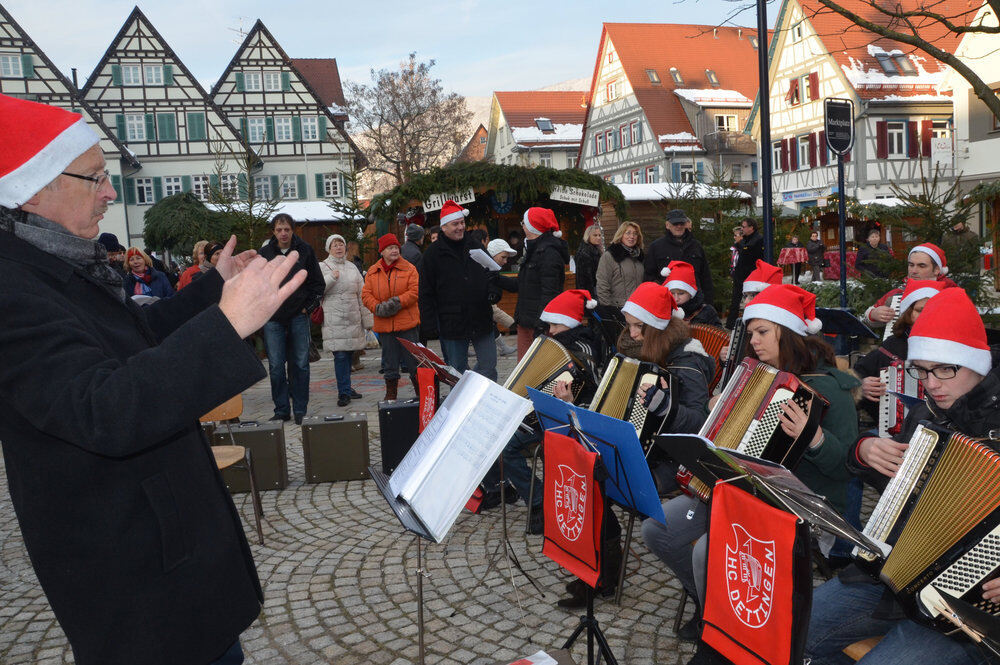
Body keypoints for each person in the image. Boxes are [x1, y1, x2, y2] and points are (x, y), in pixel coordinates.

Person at [0, 93, 308, 665]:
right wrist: (228, 322)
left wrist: (214, 290)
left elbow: (135, 336)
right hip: (132, 568)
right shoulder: (13, 289)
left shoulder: (58, 261)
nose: (110, 192)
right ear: (32, 190)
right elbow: (103, 406)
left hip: (165, 545)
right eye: (93, 178)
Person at [644, 284, 858, 643]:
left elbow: (845, 471)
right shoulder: (754, 376)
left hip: (800, 509)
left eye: (762, 332)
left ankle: (729, 628)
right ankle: (710, 605)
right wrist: (719, 413)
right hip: (739, 493)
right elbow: (729, 443)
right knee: (656, 530)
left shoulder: (829, 388)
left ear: (788, 333)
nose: (753, 341)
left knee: (707, 556)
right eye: (752, 332)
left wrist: (815, 438)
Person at [806, 287, 1000, 665]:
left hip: (969, 605)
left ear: (978, 363)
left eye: (946, 368)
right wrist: (863, 453)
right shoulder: (926, 414)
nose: (932, 383)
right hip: (894, 577)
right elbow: (901, 487)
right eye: (922, 370)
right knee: (794, 627)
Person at [501, 289, 605, 537]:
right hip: (540, 413)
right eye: (549, 324)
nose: (551, 330)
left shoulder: (584, 347)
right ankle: (536, 498)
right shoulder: (550, 343)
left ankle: (544, 504)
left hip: (570, 416)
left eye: (556, 324)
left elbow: (594, 386)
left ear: (571, 322)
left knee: (517, 448)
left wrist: (570, 393)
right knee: (502, 443)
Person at [419, 200, 500, 380]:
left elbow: (493, 272)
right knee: (457, 372)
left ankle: (482, 401)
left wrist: (493, 291)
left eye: (462, 223)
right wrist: (429, 324)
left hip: (481, 317)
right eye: (455, 224)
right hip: (451, 321)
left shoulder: (475, 245)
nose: (460, 227)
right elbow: (425, 292)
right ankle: (462, 404)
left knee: (489, 365)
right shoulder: (432, 254)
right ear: (444, 227)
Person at [258, 213, 325, 424]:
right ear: (273, 231)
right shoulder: (265, 253)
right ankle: (281, 409)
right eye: (279, 229)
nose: (283, 233)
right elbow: (257, 285)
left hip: (298, 315)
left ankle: (300, 408)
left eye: (286, 229)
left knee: (300, 364)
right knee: (276, 366)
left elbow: (318, 284)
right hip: (274, 317)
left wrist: (308, 308)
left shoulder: (304, 250)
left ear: (293, 229)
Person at [853, 279, 945, 423]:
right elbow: (853, 380)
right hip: (895, 433)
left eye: (932, 309)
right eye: (920, 310)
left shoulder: (954, 348)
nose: (927, 315)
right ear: (908, 313)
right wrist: (860, 387)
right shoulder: (890, 348)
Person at [362, 233, 420, 400]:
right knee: (389, 363)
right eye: (390, 248)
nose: (394, 250)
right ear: (382, 251)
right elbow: (366, 295)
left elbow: (414, 292)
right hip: (385, 326)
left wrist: (396, 303)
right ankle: (391, 394)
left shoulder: (409, 268)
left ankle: (420, 394)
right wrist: (378, 308)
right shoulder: (373, 271)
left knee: (414, 362)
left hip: (407, 324)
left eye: (396, 247)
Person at [319, 234, 369, 407]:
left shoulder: (352, 267)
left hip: (352, 316)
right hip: (334, 319)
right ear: (329, 248)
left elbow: (362, 294)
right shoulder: (323, 266)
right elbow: (319, 289)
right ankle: (343, 392)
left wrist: (367, 320)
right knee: (340, 355)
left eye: (341, 244)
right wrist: (332, 277)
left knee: (348, 355)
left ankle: (347, 387)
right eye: (335, 245)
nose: (339, 248)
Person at [514, 207, 569, 358]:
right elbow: (524, 285)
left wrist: (540, 325)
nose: (522, 226)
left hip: (538, 325)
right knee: (524, 372)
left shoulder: (548, 253)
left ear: (533, 227)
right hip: (527, 322)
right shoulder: (534, 250)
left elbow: (550, 293)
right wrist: (496, 278)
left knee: (537, 372)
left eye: (524, 223)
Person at [863, 243, 957, 328]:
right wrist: (873, 314)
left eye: (921, 266)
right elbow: (868, 317)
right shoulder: (898, 293)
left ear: (937, 270)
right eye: (911, 265)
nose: (914, 271)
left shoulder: (952, 292)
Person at [644, 209, 714, 308]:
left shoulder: (696, 246)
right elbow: (649, 276)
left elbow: (705, 276)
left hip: (695, 304)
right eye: (675, 223)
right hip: (667, 303)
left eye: (681, 223)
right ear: (667, 225)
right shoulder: (656, 247)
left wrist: (708, 303)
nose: (679, 226)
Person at [725, 217, 765, 328]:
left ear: (751, 227)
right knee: (735, 299)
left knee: (751, 299)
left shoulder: (758, 238)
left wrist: (740, 242)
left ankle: (752, 321)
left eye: (744, 226)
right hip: (740, 273)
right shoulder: (746, 238)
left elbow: (748, 251)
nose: (742, 229)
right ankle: (731, 323)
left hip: (751, 274)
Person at [595, 221, 644, 308]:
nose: (632, 237)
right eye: (628, 233)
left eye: (635, 234)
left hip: (638, 307)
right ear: (621, 235)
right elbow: (602, 284)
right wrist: (608, 309)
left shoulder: (640, 257)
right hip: (618, 308)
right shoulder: (610, 256)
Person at [661, 260, 721, 326]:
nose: (676, 298)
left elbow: (719, 334)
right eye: (672, 293)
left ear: (691, 293)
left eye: (681, 293)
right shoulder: (662, 311)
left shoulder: (706, 312)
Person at [487, 237, 519, 356]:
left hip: (482, 324)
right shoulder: (486, 271)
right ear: (493, 255)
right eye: (503, 257)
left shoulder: (492, 272)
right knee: (487, 364)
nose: (505, 261)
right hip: (478, 325)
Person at [574, 223, 603, 296]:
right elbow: (584, 279)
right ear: (588, 236)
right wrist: (589, 297)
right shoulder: (584, 253)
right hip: (590, 292)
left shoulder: (596, 250)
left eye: (599, 235)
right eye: (595, 235)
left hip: (596, 289)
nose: (598, 237)